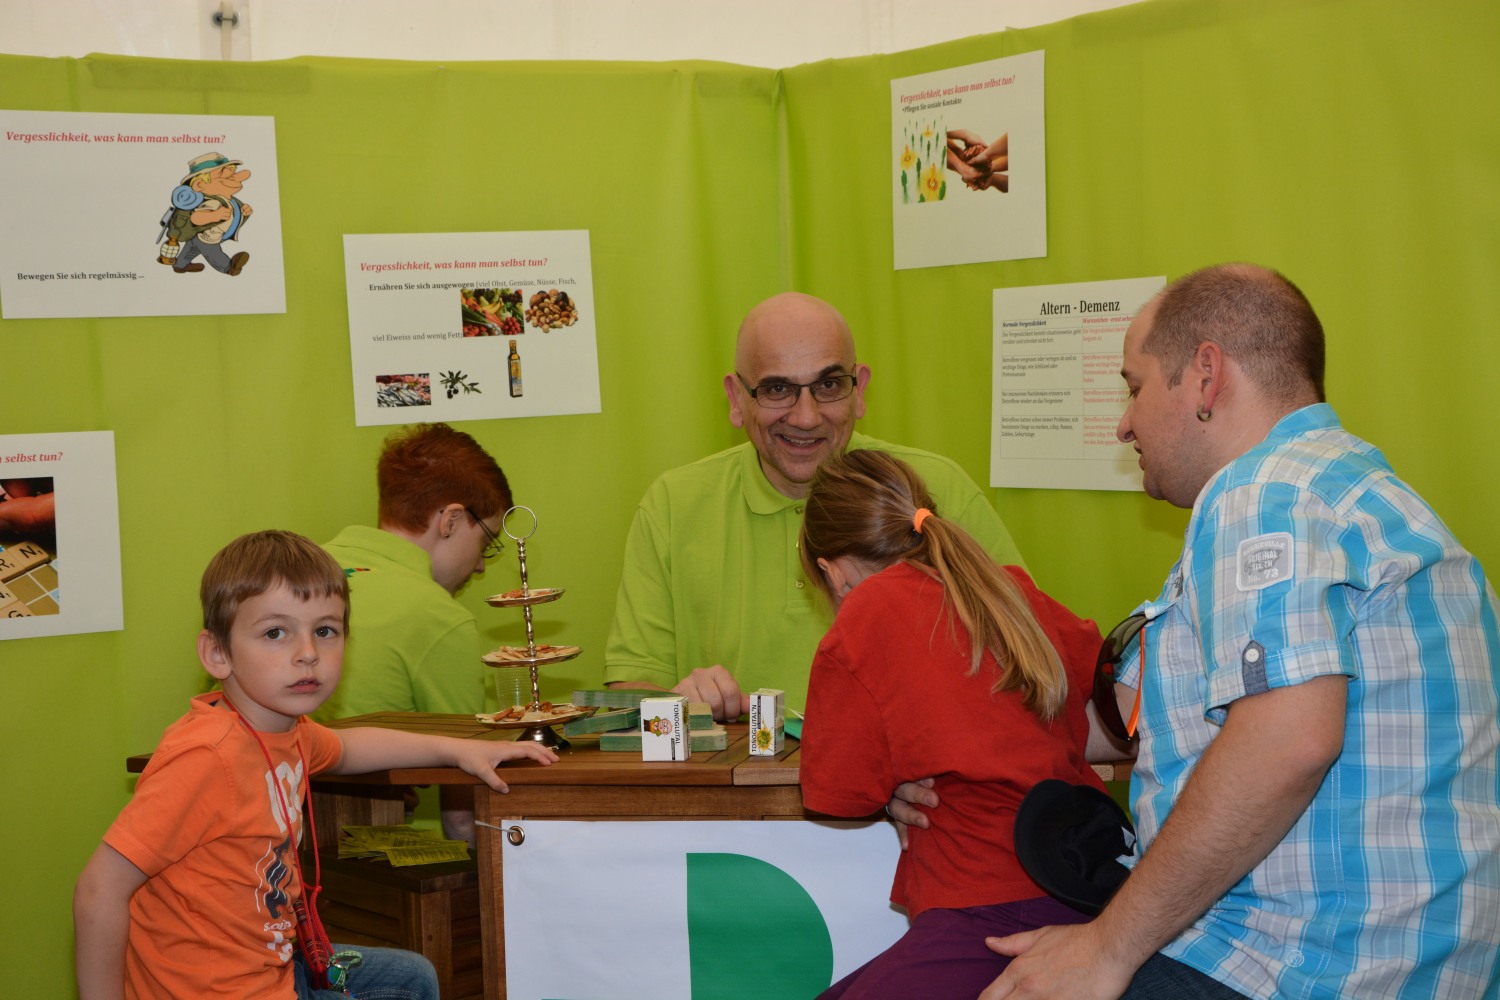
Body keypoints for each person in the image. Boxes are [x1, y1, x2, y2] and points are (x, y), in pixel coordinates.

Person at [961, 264, 1500, 999]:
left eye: (1134, 387)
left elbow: (1288, 741)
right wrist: (936, 761)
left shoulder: (1262, 491)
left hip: (1301, 967)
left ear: (1205, 378)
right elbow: (1132, 723)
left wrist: (1106, 950)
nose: (1124, 424)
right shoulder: (1366, 496)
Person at [72, 530, 557, 1000]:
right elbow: (99, 891)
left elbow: (350, 748)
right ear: (217, 654)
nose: (307, 654)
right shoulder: (206, 756)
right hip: (215, 988)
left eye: (325, 631)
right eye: (275, 633)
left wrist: (457, 751)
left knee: (412, 978)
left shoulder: (287, 730)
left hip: (275, 965)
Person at [603, 291, 1027, 720]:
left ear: (859, 389)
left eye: (828, 385)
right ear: (735, 399)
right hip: (738, 765)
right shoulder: (673, 506)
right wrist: (676, 704)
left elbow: (1029, 658)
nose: (806, 417)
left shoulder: (937, 489)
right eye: (777, 389)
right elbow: (632, 689)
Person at [796, 449, 1114, 999]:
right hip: (1082, 880)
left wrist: (892, 780)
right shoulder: (1007, 587)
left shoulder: (863, 619)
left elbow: (838, 794)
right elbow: (1114, 705)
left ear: (833, 571)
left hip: (985, 905)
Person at [313, 422, 512, 843]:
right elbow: (464, 815)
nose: (480, 566)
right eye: (486, 543)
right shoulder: (440, 617)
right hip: (352, 850)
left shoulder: (292, 571)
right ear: (451, 520)